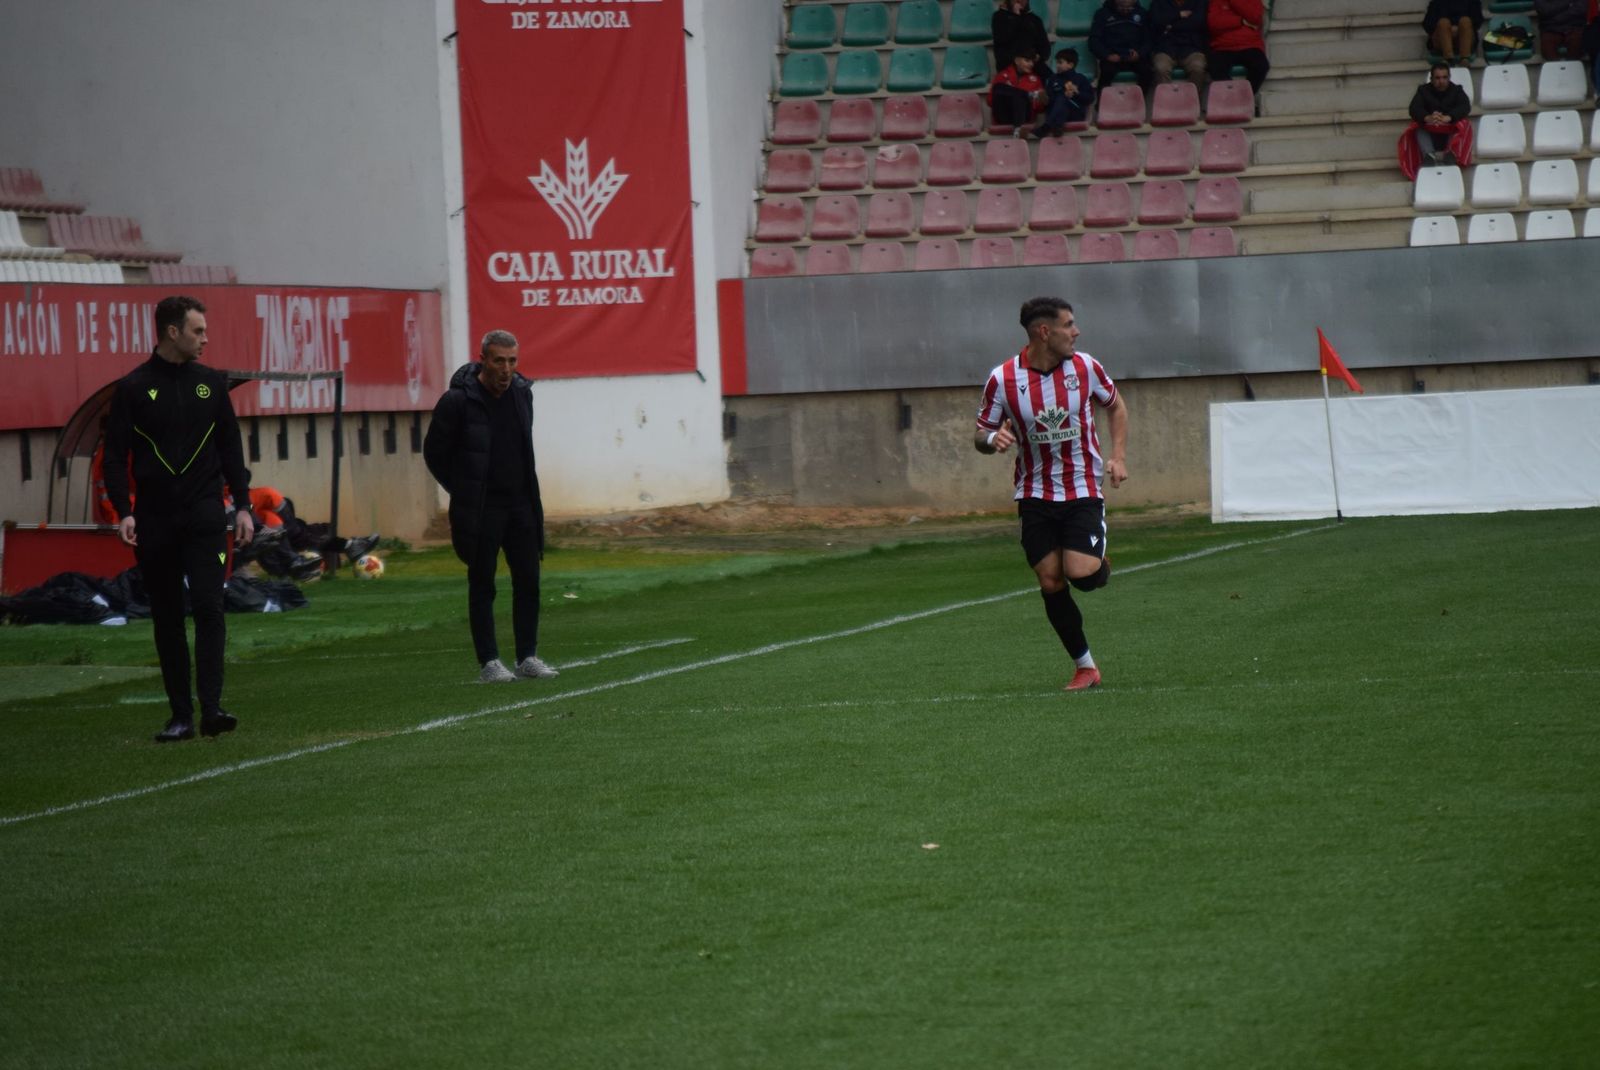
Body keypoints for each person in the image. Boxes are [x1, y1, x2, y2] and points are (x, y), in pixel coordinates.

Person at [102, 296, 254, 743]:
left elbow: (230, 448)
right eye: (198, 331)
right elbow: (114, 457)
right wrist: (123, 511)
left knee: (209, 608)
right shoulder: (132, 388)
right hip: (155, 520)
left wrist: (242, 504)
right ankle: (180, 716)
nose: (205, 339)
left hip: (206, 515)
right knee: (167, 617)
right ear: (172, 332)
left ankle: (213, 709)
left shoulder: (212, 384)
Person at [973, 297, 1129, 693]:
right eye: (1069, 325)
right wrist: (993, 438)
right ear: (1045, 331)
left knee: (1081, 576)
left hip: (1082, 487)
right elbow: (980, 434)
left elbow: (1116, 405)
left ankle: (1097, 566)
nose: (1076, 332)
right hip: (1034, 492)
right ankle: (1085, 667)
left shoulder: (1086, 368)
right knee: (1049, 580)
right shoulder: (1003, 378)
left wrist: (1118, 457)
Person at [423, 329, 557, 684]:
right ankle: (489, 661)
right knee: (482, 582)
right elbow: (434, 453)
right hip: (482, 509)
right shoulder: (457, 401)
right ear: (483, 359)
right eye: (499, 360)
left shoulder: (522, 395)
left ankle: (527, 656)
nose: (507, 369)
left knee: (528, 580)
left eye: (512, 361)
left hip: (522, 504)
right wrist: (464, 489)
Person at [1400, 62, 1474, 177]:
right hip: (1430, 133)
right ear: (1431, 79)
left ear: (1449, 78)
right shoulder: (1423, 90)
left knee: (1464, 124)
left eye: (1445, 77)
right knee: (1415, 125)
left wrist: (1449, 117)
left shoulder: (1457, 90)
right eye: (1437, 78)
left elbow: (1465, 107)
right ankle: (1428, 156)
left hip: (1449, 132)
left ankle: (1452, 154)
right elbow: (1414, 109)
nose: (1441, 81)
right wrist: (1427, 117)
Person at [1207, 0, 1270, 97]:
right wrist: (1241, 21)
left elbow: (1255, 18)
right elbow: (1214, 23)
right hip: (1223, 46)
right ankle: (1231, 98)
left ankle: (1243, 98)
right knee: (1215, 67)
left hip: (1249, 44)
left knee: (1261, 66)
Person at [1089, 0, 1154, 91]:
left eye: (1129, 8)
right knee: (1106, 73)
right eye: (1121, 7)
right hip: (1112, 56)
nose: (1125, 10)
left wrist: (1139, 53)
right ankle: (1101, 103)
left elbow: (1149, 40)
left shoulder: (1142, 13)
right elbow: (1094, 41)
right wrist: (1107, 55)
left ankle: (1138, 101)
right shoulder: (1102, 14)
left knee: (1147, 72)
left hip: (1134, 56)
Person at [1031, 48, 1098, 136]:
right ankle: (1058, 127)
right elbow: (1049, 99)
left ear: (1070, 65)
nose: (1057, 65)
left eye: (1060, 62)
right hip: (1056, 112)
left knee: (1062, 98)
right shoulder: (1053, 79)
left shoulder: (1080, 78)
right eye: (1057, 62)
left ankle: (1047, 127)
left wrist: (1076, 93)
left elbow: (1090, 98)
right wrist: (1045, 98)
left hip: (1075, 113)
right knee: (1061, 98)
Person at [1150, 0, 1211, 96]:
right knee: (1161, 68)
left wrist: (1170, 25)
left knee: (1197, 67)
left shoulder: (1199, 2)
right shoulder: (1159, 2)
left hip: (1191, 47)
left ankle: (1193, 103)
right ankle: (1165, 105)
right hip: (1165, 47)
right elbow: (1156, 20)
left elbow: (1198, 22)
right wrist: (1178, 15)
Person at [989, 49, 1047, 131]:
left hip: (1024, 116)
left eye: (1032, 62)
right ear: (1017, 61)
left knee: (1019, 97)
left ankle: (1018, 129)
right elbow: (990, 101)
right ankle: (1028, 94)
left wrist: (1031, 101)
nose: (1031, 64)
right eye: (1027, 61)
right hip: (1003, 115)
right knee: (998, 87)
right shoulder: (1002, 75)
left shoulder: (1036, 79)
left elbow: (1040, 108)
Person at [993, 0, 1051, 75]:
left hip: (1033, 64)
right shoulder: (999, 17)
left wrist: (1039, 56)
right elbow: (1003, 39)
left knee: (1054, 80)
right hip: (1010, 66)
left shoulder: (1034, 19)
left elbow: (1045, 46)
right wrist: (1016, 16)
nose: (1020, 1)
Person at [1421, 0, 1483, 65]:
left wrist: (1458, 28)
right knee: (1443, 23)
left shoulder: (1472, 2)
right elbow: (1428, 24)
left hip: (1464, 38)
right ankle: (1448, 59)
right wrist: (1449, 30)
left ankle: (1465, 58)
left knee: (1465, 21)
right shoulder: (1437, 2)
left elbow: (1477, 21)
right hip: (1441, 40)